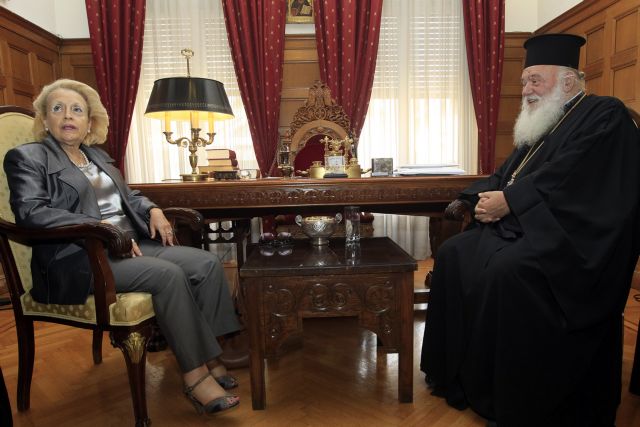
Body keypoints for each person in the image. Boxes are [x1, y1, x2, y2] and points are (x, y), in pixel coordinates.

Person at [420, 34, 640, 426]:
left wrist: (510, 201)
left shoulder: (605, 114)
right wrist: (474, 198)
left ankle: (512, 397)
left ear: (568, 81)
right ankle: (460, 375)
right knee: (454, 254)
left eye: (535, 80)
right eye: (524, 82)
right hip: (525, 226)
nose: (526, 90)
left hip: (571, 239)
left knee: (507, 273)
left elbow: (571, 177)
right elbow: (508, 172)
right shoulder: (545, 121)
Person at [3, 79, 242, 415]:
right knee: (168, 275)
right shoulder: (27, 157)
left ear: (89, 122)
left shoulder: (96, 156)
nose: (68, 115)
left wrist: (153, 209)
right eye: (57, 108)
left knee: (207, 264)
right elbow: (31, 212)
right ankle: (195, 375)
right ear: (44, 119)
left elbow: (129, 197)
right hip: (77, 258)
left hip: (130, 245)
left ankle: (212, 355)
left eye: (77, 110)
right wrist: (100, 227)